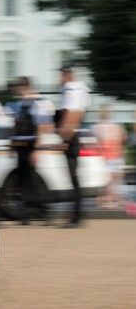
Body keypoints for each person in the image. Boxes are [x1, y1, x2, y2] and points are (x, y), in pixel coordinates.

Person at [7, 77, 55, 222]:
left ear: (25, 87)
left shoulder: (37, 103)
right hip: (20, 146)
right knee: (24, 180)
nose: (15, 89)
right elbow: (15, 126)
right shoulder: (18, 104)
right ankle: (29, 212)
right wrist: (12, 145)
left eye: (17, 86)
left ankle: (42, 211)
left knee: (32, 180)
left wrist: (37, 150)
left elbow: (41, 128)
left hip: (30, 145)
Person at [55, 64, 90, 228]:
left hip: (71, 138)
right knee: (74, 178)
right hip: (73, 137)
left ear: (67, 75)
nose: (59, 79)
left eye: (61, 75)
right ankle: (76, 216)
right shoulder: (80, 90)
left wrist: (65, 140)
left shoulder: (71, 90)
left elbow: (72, 116)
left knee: (73, 179)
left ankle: (76, 218)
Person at [92, 104, 127, 209]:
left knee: (106, 181)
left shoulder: (96, 127)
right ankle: (116, 201)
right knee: (116, 181)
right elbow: (124, 139)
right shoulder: (117, 126)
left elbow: (95, 143)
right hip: (117, 156)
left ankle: (105, 201)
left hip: (104, 157)